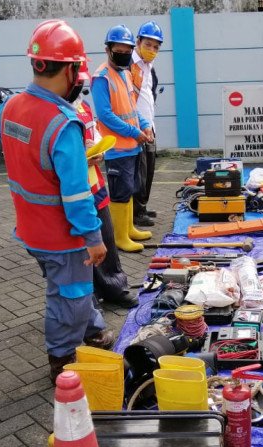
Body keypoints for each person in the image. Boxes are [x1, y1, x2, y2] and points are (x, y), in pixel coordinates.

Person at [0, 20, 115, 384]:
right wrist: (93, 239)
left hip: (30, 227)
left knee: (69, 288)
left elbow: (30, 162)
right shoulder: (64, 123)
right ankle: (62, 357)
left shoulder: (11, 106)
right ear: (69, 70)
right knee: (70, 295)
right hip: (62, 235)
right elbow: (77, 193)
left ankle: (93, 331)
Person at [74, 65, 139, 308]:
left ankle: (114, 287)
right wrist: (82, 156)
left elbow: (96, 131)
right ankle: (90, 298)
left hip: (95, 185)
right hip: (74, 191)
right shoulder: (55, 113)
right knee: (83, 249)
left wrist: (97, 146)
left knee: (107, 241)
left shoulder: (83, 106)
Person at [92, 24, 154, 253]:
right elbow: (105, 115)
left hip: (133, 146)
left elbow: (132, 107)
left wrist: (145, 126)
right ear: (108, 49)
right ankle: (119, 238)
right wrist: (133, 132)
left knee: (129, 189)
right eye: (119, 50)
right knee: (119, 193)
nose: (124, 54)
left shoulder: (125, 74)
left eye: (128, 50)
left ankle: (128, 230)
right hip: (118, 147)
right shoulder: (101, 78)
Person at [131, 21, 163, 228]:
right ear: (138, 42)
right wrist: (139, 125)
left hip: (149, 126)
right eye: (148, 44)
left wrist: (149, 123)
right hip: (136, 129)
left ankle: (142, 207)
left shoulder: (149, 68)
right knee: (138, 172)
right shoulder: (130, 66)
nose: (151, 50)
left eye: (156, 47)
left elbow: (149, 96)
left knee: (148, 169)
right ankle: (135, 213)